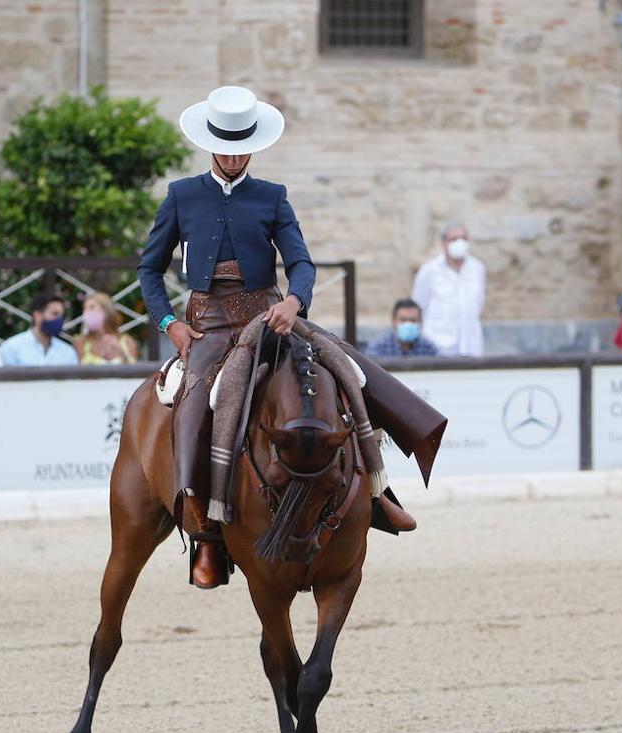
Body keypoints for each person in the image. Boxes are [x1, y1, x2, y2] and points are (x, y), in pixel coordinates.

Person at [139, 84, 420, 589]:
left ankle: (378, 490)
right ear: (210, 146)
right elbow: (149, 270)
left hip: (270, 317)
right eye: (224, 147)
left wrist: (295, 302)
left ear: (252, 145)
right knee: (195, 405)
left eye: (241, 146)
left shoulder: (272, 197)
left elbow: (300, 262)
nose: (232, 155)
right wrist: (169, 324)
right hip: (205, 325)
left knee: (349, 372)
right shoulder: (182, 196)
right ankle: (203, 531)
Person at [411, 222, 485, 356]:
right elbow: (419, 307)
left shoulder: (477, 268)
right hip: (439, 347)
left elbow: (478, 303)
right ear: (444, 243)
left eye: (464, 238)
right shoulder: (429, 270)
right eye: (454, 239)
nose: (460, 243)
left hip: (471, 346)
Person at [0, 294, 80, 366]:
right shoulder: (12, 347)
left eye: (61, 315)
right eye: (54, 314)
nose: (59, 320)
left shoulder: (68, 352)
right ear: (37, 315)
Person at [74, 291, 139, 365]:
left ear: (107, 311)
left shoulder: (127, 341)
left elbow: (133, 372)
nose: (86, 313)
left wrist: (120, 352)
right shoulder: (80, 342)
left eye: (91, 307)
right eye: (84, 309)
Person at [366, 299, 439, 357]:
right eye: (403, 320)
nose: (408, 324)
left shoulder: (428, 347)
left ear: (420, 322)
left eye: (413, 320)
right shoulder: (379, 347)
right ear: (393, 321)